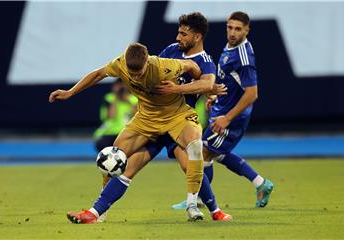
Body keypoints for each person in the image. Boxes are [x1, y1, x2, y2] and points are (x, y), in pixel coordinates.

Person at [49, 42, 206, 223]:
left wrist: (190, 86)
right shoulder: (120, 64)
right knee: (112, 157)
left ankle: (192, 205)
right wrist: (70, 92)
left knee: (195, 146)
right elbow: (98, 74)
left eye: (139, 73)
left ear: (147, 62)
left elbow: (193, 66)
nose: (136, 77)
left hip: (177, 116)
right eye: (132, 74)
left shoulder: (165, 67)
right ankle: (100, 211)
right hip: (146, 118)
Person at [98, 12, 232, 222]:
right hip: (153, 121)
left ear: (197, 37)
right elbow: (153, 73)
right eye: (178, 32)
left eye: (183, 34)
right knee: (122, 164)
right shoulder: (172, 50)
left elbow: (206, 83)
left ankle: (207, 209)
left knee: (190, 165)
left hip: (178, 122)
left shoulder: (204, 61)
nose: (178, 37)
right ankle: (99, 210)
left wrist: (190, 90)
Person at [171, 11, 274, 209]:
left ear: (247, 30)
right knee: (215, 152)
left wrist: (227, 118)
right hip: (222, 109)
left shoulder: (243, 57)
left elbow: (252, 94)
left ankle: (198, 199)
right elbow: (232, 82)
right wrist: (216, 96)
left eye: (238, 29)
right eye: (230, 27)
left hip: (232, 116)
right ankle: (260, 183)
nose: (233, 33)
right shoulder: (231, 47)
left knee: (201, 153)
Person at [93, 78, 137, 152]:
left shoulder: (134, 99)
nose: (122, 89)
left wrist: (128, 101)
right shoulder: (109, 98)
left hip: (127, 133)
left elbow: (136, 116)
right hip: (110, 133)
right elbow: (111, 116)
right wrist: (116, 98)